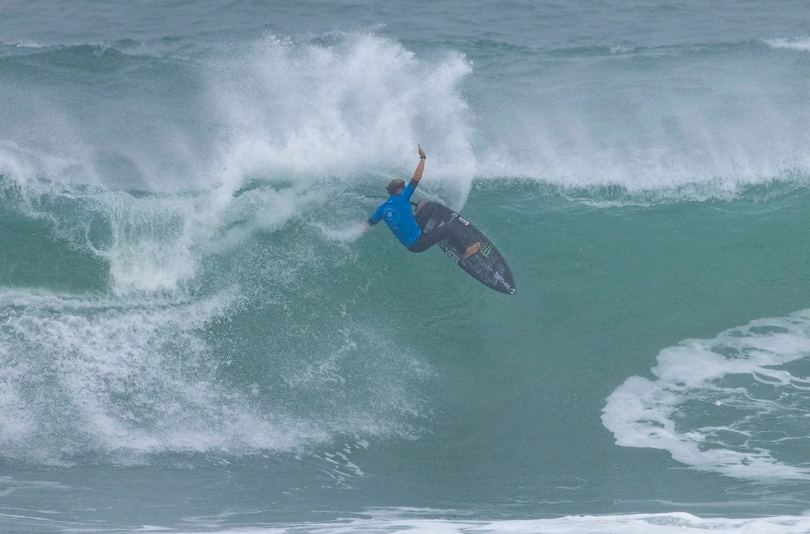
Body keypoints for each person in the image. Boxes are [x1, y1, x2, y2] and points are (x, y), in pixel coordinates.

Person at [366, 145, 480, 259]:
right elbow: (417, 176)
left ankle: (431, 224)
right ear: (400, 190)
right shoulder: (403, 196)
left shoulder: (382, 209)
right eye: (404, 187)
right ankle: (464, 252)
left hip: (414, 228)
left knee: (430, 206)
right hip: (417, 243)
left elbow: (369, 223)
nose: (406, 189)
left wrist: (353, 233)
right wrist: (423, 157)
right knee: (448, 230)